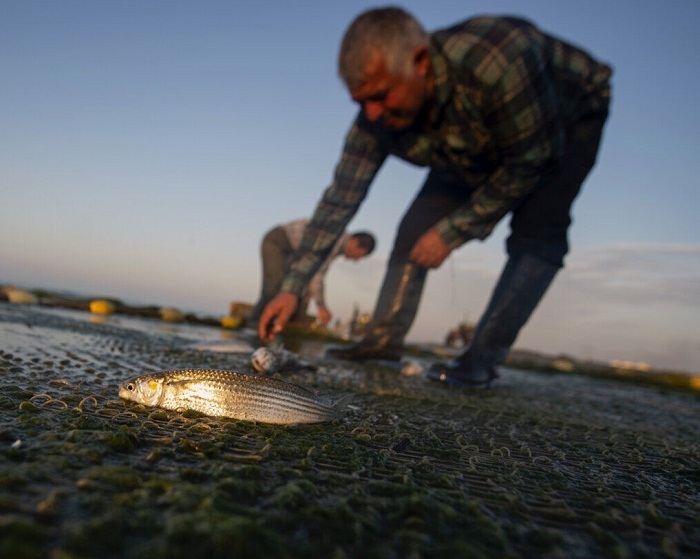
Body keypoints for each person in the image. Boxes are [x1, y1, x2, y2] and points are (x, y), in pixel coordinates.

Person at [260, 7, 611, 387]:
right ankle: (382, 342)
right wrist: (293, 287)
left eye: (380, 96)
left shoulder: (498, 59)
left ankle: (481, 359)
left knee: (539, 230)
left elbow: (532, 161)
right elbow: (340, 199)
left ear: (421, 63)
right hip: (467, 136)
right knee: (414, 229)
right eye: (361, 102)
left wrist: (454, 231)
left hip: (563, 117)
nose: (372, 115)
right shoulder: (374, 117)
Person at [248, 219, 375, 328]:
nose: (356, 260)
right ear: (354, 241)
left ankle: (282, 326)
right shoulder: (335, 241)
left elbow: (309, 271)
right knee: (275, 285)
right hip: (278, 241)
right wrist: (321, 306)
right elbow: (317, 274)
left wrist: (308, 290)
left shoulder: (339, 244)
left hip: (296, 253)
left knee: (300, 290)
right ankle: (254, 323)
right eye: (359, 255)